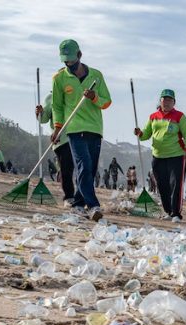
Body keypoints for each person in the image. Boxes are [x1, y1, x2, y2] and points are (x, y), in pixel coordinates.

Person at [51, 39, 111, 221]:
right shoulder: (59, 78)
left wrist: (94, 97)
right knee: (83, 165)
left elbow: (106, 101)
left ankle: (78, 203)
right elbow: (57, 106)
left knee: (90, 170)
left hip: (95, 128)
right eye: (65, 61)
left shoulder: (96, 75)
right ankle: (93, 206)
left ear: (79, 55)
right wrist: (57, 128)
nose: (68, 64)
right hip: (74, 129)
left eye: (71, 60)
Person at [135, 88, 186, 221]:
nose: (166, 102)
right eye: (164, 99)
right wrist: (140, 133)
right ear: (160, 101)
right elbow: (146, 135)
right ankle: (168, 211)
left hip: (176, 156)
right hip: (158, 157)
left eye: (169, 100)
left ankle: (176, 213)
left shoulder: (179, 116)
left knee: (175, 184)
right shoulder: (153, 117)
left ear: (174, 102)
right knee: (162, 186)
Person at [37, 93, 75, 204]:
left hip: (78, 136)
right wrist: (39, 113)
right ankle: (69, 197)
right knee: (66, 169)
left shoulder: (75, 93)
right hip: (61, 139)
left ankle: (82, 197)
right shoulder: (51, 97)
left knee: (83, 168)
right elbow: (43, 119)